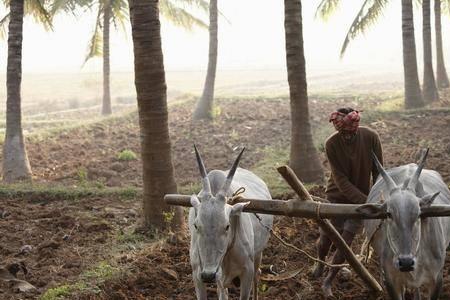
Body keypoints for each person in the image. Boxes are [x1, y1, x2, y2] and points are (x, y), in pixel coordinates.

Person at [311, 107, 383, 298]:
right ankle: (320, 261)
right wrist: (366, 202)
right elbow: (341, 181)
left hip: (363, 198)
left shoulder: (371, 137)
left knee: (346, 241)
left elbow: (378, 171)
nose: (346, 136)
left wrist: (376, 197)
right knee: (327, 237)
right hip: (337, 196)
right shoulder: (331, 144)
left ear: (356, 128)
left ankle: (328, 281)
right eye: (342, 133)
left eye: (350, 133)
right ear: (337, 129)